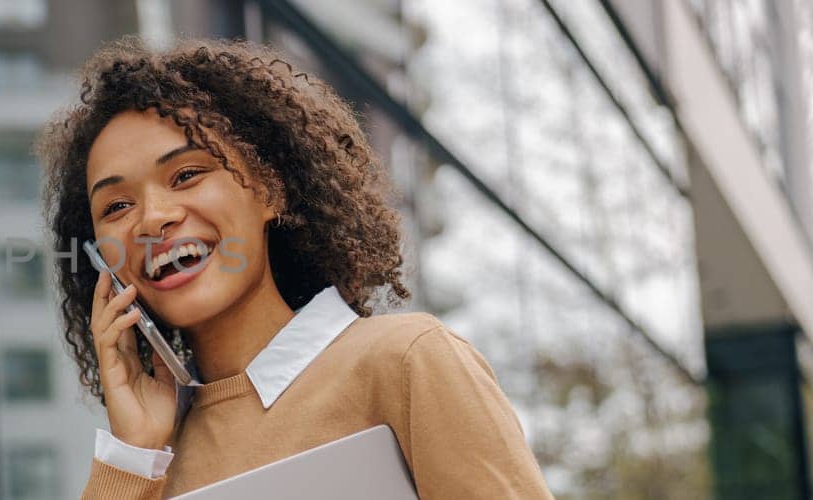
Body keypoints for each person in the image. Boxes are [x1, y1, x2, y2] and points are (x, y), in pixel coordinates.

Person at [35, 37, 553, 498]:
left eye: (187, 174)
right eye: (117, 207)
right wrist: (130, 459)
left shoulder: (404, 361)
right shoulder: (147, 453)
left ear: (269, 190)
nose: (153, 219)